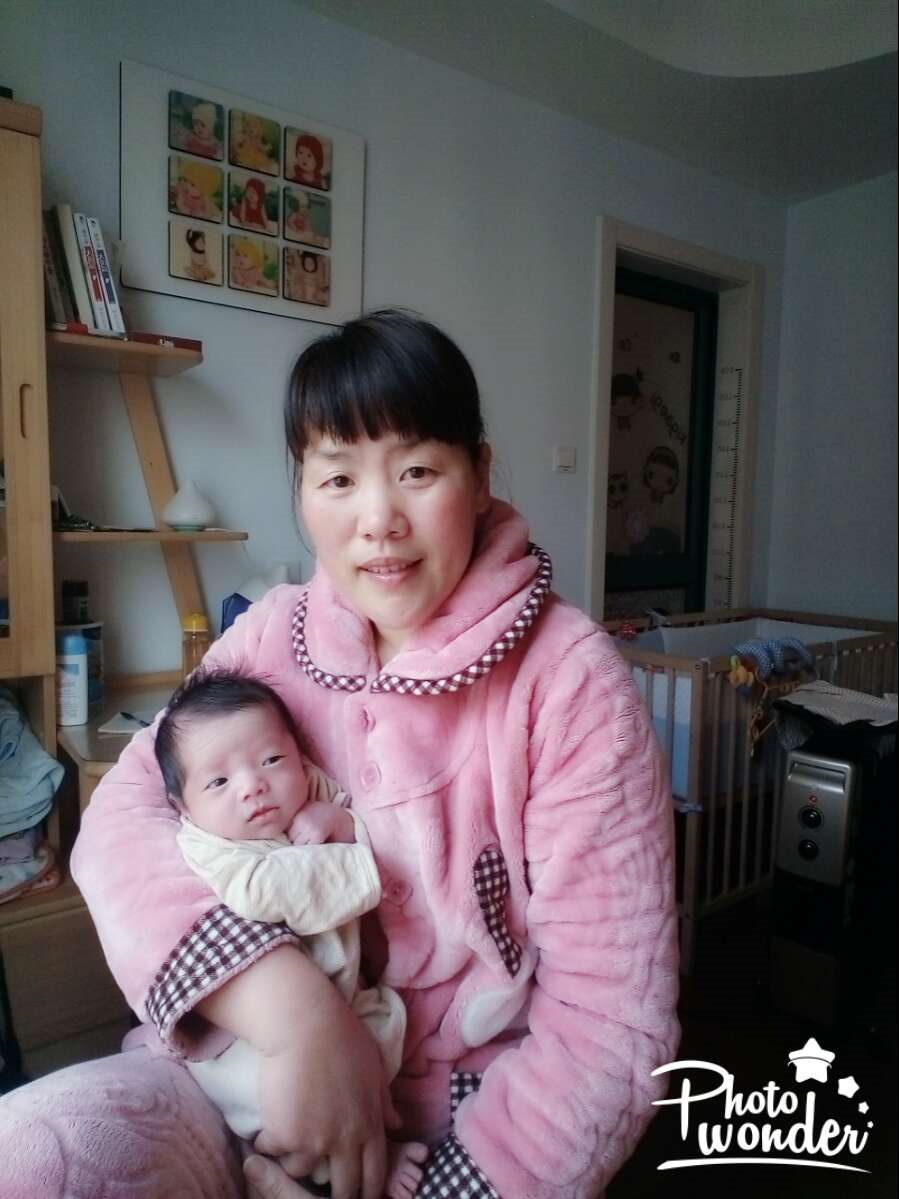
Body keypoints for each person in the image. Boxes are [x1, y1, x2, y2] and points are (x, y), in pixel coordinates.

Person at [0, 309, 679, 1199]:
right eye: (337, 478)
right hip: (237, 1069)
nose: (378, 521)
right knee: (29, 1155)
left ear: (479, 474)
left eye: (416, 470)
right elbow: (124, 818)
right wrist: (295, 1015)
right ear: (301, 493)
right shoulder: (273, 633)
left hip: (455, 1126)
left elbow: (607, 1024)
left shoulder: (570, 681)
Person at [157, 668, 427, 1199]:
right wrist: (359, 865)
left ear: (298, 755)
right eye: (219, 782)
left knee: (388, 1029)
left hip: (346, 991)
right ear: (183, 807)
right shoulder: (208, 845)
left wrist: (341, 824)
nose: (253, 785)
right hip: (257, 1031)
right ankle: (302, 1172)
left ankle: (355, 1142)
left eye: (271, 760)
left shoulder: (308, 788)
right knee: (266, 1088)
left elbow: (351, 809)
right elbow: (259, 893)